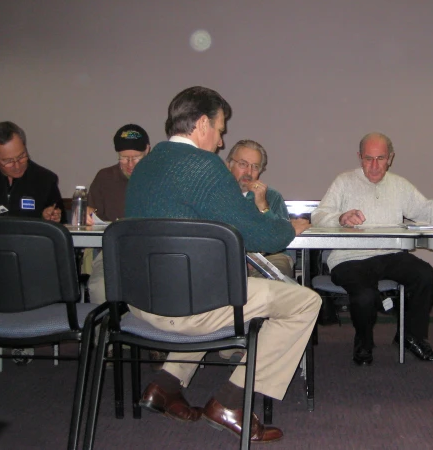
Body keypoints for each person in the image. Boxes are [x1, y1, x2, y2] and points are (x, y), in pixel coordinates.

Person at [125, 86, 321, 443]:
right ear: (201, 124)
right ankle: (231, 402)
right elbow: (261, 236)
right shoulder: (204, 167)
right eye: (219, 128)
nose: (220, 140)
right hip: (185, 307)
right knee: (306, 302)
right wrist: (287, 227)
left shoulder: (145, 166)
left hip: (141, 302)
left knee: (213, 292)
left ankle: (164, 386)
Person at [311, 132, 433, 366]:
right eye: (368, 159)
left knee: (425, 275)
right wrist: (340, 218)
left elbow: (428, 210)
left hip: (390, 253)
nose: (375, 165)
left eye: (380, 158)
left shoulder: (399, 185)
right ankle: (363, 344)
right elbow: (318, 215)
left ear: (390, 158)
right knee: (365, 296)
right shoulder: (344, 182)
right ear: (359, 157)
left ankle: (411, 336)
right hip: (349, 257)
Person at [86, 124, 151, 305]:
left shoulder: (158, 177)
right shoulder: (104, 178)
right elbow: (90, 218)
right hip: (112, 251)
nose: (130, 164)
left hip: (150, 250)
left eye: (136, 158)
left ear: (147, 150)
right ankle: (105, 332)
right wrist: (88, 216)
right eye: (124, 158)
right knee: (99, 288)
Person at [226, 139, 295, 279]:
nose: (249, 172)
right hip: (227, 257)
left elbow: (282, 237)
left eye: (255, 167)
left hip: (270, 256)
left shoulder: (272, 196)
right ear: (229, 165)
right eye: (243, 164)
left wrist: (263, 206)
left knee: (277, 273)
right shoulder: (217, 195)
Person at [0, 121, 65, 222]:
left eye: (21, 156)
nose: (17, 166)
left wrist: (49, 218)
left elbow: (62, 227)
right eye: (8, 161)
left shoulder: (46, 179)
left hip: (30, 237)